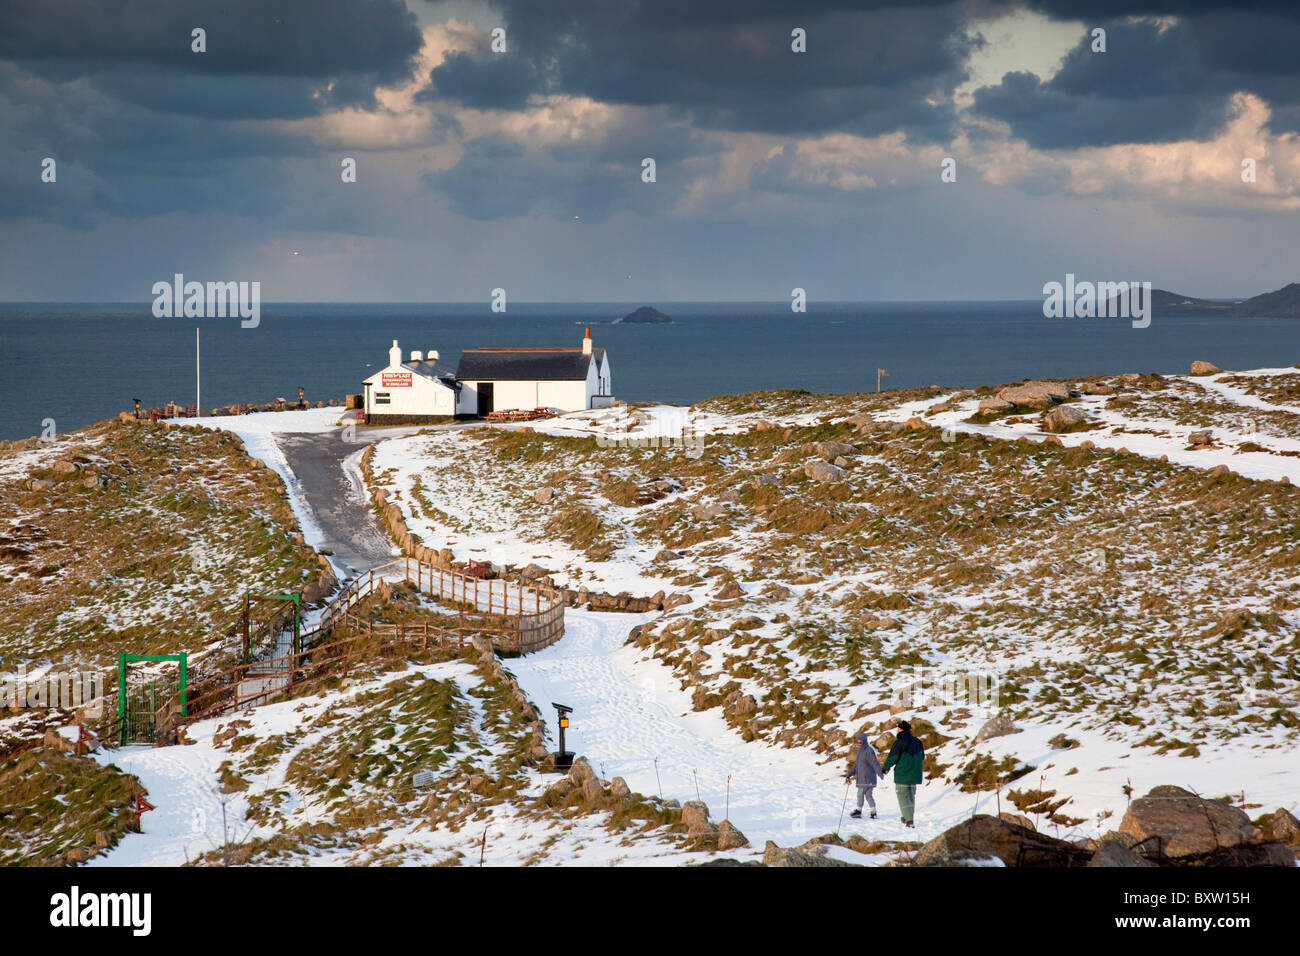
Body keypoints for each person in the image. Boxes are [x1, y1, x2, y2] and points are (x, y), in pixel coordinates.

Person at [881, 719, 924, 828]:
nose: (897, 730)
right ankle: (907, 817)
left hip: (903, 774)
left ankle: (909, 821)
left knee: (903, 797)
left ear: (901, 730)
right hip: (915, 775)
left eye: (898, 729)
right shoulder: (918, 741)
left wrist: (886, 768)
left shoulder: (899, 743)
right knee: (910, 797)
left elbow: (893, 758)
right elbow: (922, 757)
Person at [845, 730, 884, 819]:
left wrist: (879, 772)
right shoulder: (860, 751)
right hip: (865, 778)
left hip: (866, 778)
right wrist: (849, 774)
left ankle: (858, 811)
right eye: (857, 741)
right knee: (868, 795)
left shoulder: (868, 751)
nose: (858, 743)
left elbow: (875, 763)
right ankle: (873, 812)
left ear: (864, 741)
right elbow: (856, 765)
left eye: (860, 741)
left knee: (860, 794)